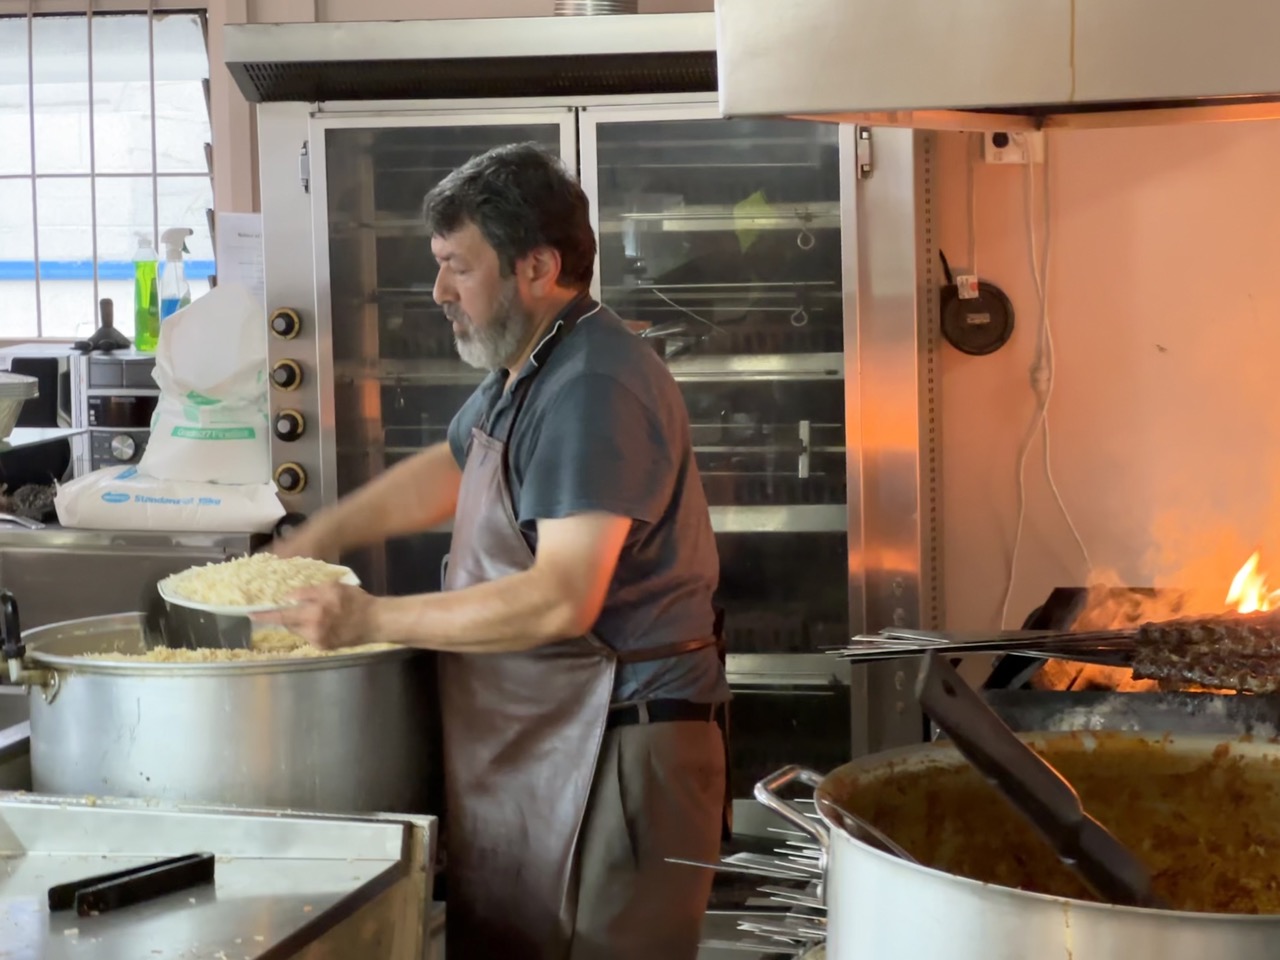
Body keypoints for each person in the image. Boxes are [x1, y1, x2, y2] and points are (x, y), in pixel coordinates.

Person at [267, 142, 730, 960]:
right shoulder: (532, 367)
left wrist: (372, 617)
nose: (439, 291)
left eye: (458, 266)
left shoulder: (594, 383)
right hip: (552, 741)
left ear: (537, 267)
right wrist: (317, 538)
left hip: (620, 750)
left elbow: (562, 597)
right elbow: (455, 467)